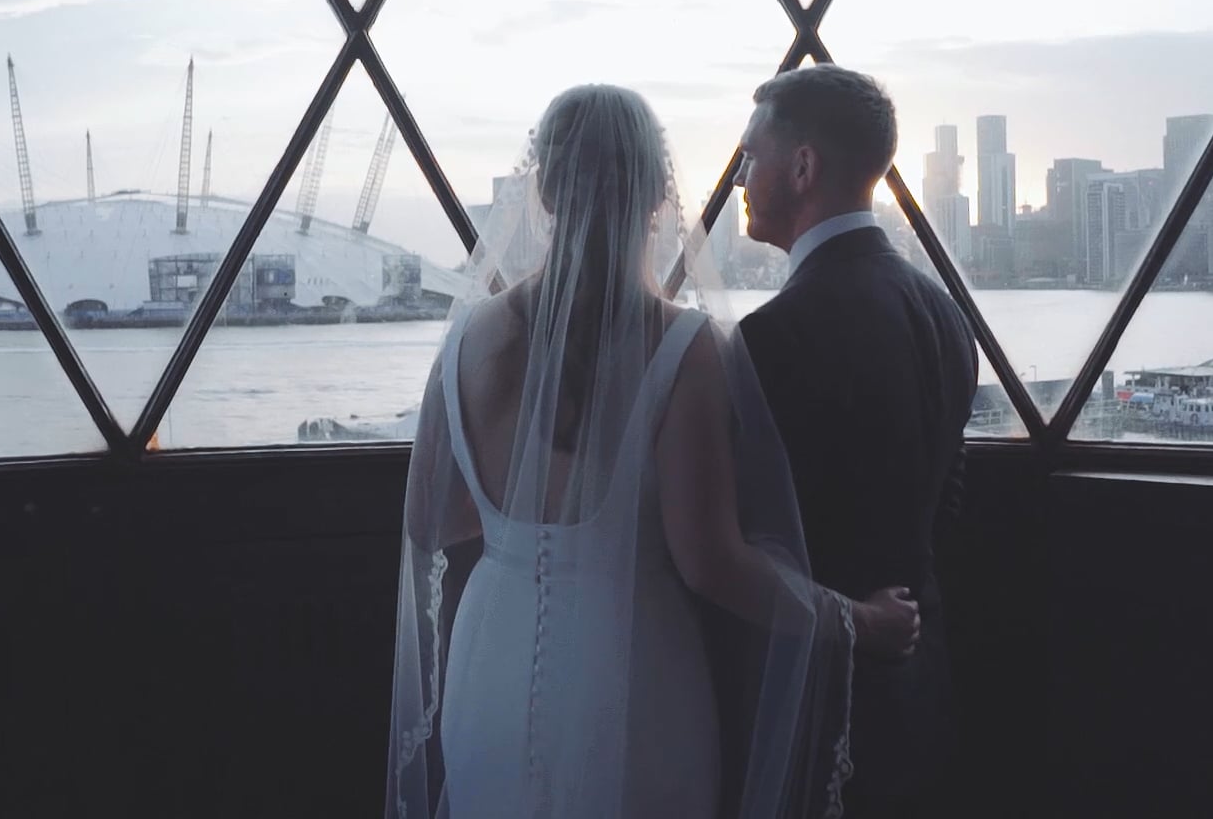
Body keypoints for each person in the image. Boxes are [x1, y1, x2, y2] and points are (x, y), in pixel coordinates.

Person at [386, 84, 921, 818]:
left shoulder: (468, 337)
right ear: (659, 196)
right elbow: (712, 563)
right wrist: (856, 621)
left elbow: (431, 521)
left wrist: (529, 533)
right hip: (631, 671)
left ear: (541, 191)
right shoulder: (680, 345)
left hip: (493, 663)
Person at [735, 65, 977, 818]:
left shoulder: (775, 336)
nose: (741, 176)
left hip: (822, 691)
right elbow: (944, 497)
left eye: (751, 155)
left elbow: (757, 530)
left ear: (802, 166)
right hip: (925, 675)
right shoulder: (945, 314)